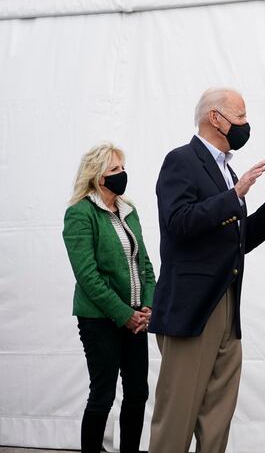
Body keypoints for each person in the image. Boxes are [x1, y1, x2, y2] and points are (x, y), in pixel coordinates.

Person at [148, 88, 265, 452]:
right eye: (240, 117)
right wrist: (233, 195)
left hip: (226, 306)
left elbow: (234, 242)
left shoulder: (227, 170)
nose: (246, 125)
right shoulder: (181, 160)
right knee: (178, 414)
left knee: (218, 415)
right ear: (215, 118)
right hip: (192, 310)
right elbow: (178, 222)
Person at [62, 143, 155, 453]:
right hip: (99, 319)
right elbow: (87, 276)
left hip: (135, 318)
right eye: (114, 169)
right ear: (97, 176)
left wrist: (147, 306)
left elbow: (144, 264)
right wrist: (123, 314)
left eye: (122, 167)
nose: (122, 174)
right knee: (102, 392)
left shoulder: (128, 210)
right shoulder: (80, 213)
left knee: (138, 392)